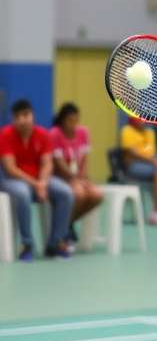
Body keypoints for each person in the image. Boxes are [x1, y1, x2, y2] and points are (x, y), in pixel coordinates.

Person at [0, 99, 74, 260]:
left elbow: (47, 164)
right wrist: (37, 184)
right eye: (17, 116)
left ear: (33, 116)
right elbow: (10, 169)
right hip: (12, 181)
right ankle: (27, 244)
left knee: (65, 192)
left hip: (39, 180)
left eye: (25, 115)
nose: (22, 120)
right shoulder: (5, 135)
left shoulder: (43, 134)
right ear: (13, 119)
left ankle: (55, 243)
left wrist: (43, 182)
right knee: (23, 193)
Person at [50, 102, 104, 248]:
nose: (73, 124)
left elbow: (85, 160)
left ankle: (67, 223)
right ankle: (64, 231)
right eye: (70, 121)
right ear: (62, 120)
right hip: (60, 178)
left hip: (78, 178)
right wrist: (75, 180)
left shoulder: (83, 132)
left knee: (96, 195)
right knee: (79, 194)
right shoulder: (55, 134)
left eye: (76, 120)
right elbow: (59, 164)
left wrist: (82, 177)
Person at [120, 117, 157, 225]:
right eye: (139, 119)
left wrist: (156, 161)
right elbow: (132, 152)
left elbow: (151, 152)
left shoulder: (150, 132)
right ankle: (156, 212)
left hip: (150, 164)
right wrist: (154, 160)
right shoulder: (127, 130)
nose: (142, 121)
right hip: (133, 166)